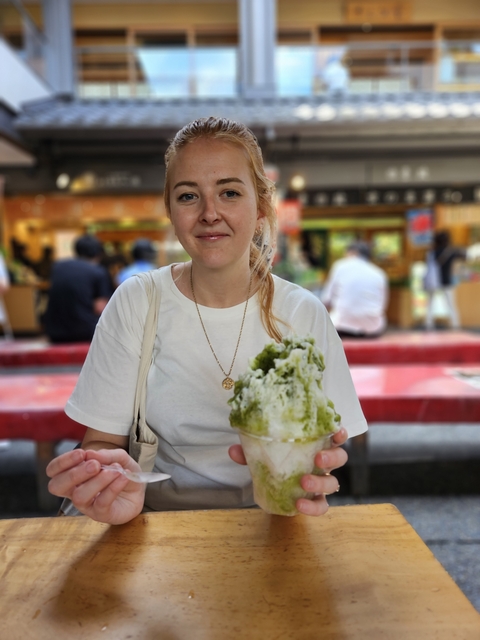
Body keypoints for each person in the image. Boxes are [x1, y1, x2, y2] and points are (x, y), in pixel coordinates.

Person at [46, 117, 368, 525]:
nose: (209, 213)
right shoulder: (137, 301)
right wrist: (105, 482)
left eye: (229, 192)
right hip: (153, 522)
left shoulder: (302, 311)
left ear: (261, 207)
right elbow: (103, 442)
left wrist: (319, 471)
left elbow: (326, 443)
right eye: (187, 196)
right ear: (171, 210)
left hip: (275, 522)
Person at [44, 234, 111, 343]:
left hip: (54, 332)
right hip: (85, 332)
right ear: (98, 254)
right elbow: (100, 307)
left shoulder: (57, 267)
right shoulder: (98, 272)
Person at [321, 240, 389, 338]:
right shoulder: (380, 273)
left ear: (352, 252)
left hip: (342, 327)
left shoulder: (340, 266)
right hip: (372, 329)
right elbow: (382, 306)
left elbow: (326, 300)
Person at [424, 230, 466, 330]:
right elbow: (464, 256)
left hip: (433, 281)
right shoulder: (451, 251)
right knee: (451, 305)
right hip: (446, 280)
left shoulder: (433, 252)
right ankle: (455, 325)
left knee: (430, 304)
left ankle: (428, 324)